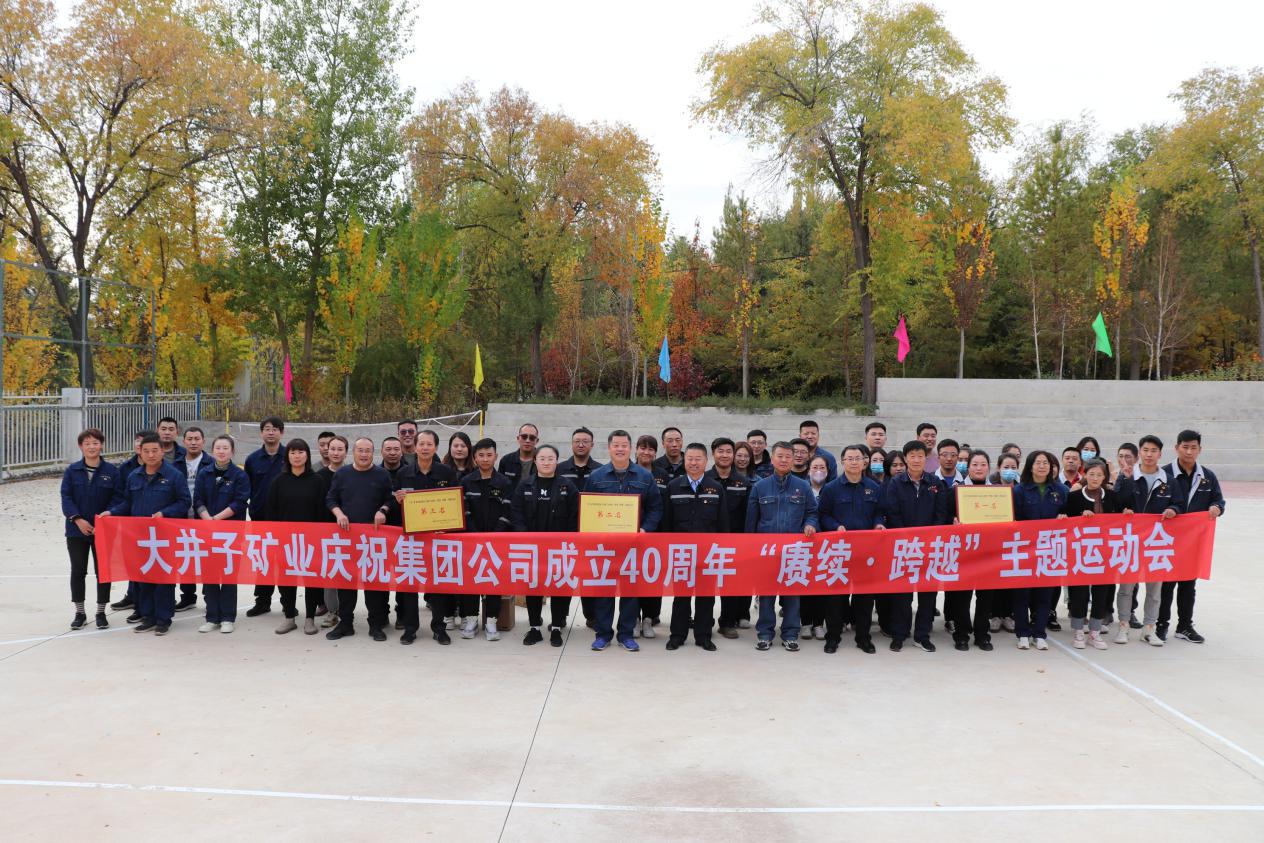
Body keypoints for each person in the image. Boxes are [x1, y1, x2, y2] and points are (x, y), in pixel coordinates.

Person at [99, 433, 191, 635]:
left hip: (165, 537)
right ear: (140, 452)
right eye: (146, 451)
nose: (151, 455)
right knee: (144, 577)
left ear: (162, 451)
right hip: (140, 537)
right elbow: (127, 503)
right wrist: (111, 512)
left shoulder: (174, 476)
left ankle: (163, 619)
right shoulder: (134, 476)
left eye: (155, 450)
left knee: (164, 578)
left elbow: (185, 502)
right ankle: (148, 616)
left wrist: (165, 513)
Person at [585, 430, 663, 652]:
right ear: (609, 448)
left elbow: (656, 508)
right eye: (616, 445)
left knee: (630, 592)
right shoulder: (596, 477)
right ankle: (603, 634)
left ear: (630, 449)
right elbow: (588, 508)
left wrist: (644, 529)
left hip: (633, 546)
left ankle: (626, 634)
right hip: (605, 546)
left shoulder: (644, 477)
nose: (620, 449)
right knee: (604, 591)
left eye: (624, 445)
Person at [747, 441, 818, 652]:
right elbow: (751, 522)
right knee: (766, 595)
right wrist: (750, 549)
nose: (784, 460)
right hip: (767, 551)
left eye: (788, 456)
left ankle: (790, 634)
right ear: (772, 458)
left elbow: (812, 512)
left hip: (794, 551)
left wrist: (810, 524)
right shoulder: (760, 487)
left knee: (792, 595)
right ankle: (765, 634)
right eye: (780, 456)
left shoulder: (803, 486)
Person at [1113, 434, 1183, 646]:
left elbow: (1179, 504)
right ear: (1139, 453)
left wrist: (1173, 509)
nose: (1149, 454)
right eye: (1145, 450)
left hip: (1156, 542)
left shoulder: (1169, 480)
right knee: (1126, 588)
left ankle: (1149, 629)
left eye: (1153, 451)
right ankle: (1123, 626)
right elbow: (1116, 503)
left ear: (1160, 454)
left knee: (1154, 590)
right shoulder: (1128, 476)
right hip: (1131, 540)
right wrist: (1125, 481)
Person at [880, 441, 949, 652]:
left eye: (920, 456)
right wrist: (907, 538)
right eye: (912, 456)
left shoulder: (935, 483)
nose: (916, 460)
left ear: (925, 459)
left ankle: (922, 635)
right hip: (904, 547)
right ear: (906, 459)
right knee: (902, 594)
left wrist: (929, 539)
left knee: (927, 594)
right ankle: (899, 634)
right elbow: (893, 513)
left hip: (930, 547)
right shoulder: (895, 483)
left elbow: (941, 514)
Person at [325, 437, 394, 642]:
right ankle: (346, 624)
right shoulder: (342, 474)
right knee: (346, 583)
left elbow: (390, 499)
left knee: (374, 584)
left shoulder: (382, 474)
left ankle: (375, 624)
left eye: (368, 451)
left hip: (373, 540)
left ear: (373, 453)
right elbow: (331, 498)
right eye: (360, 450)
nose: (364, 454)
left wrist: (383, 510)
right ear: (353, 452)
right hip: (347, 538)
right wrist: (339, 514)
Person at [817, 444, 885, 654]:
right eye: (850, 458)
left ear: (865, 462)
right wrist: (835, 526)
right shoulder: (831, 488)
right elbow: (823, 515)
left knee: (864, 598)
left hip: (866, 552)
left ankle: (863, 637)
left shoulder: (874, 487)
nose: (854, 462)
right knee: (836, 597)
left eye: (858, 458)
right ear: (842, 462)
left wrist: (878, 524)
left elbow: (880, 512)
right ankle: (833, 637)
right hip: (839, 551)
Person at [662, 443, 729, 651]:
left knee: (706, 597)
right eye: (690, 458)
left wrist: (722, 550)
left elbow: (723, 523)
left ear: (706, 461)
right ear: (684, 461)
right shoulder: (674, 486)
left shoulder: (715, 488)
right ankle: (677, 635)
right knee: (681, 596)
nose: (693, 462)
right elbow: (666, 522)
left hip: (708, 554)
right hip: (681, 553)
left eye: (698, 459)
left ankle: (703, 636)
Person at [1159, 429, 1223, 644]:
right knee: (1165, 585)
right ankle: (1161, 625)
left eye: (1193, 447)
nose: (1188, 451)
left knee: (1188, 584)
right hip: (1166, 540)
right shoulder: (1164, 473)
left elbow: (1218, 500)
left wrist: (1216, 507)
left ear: (1199, 450)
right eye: (1185, 447)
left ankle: (1185, 626)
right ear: (1176, 448)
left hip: (1193, 541)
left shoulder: (1207, 476)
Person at [512, 444, 579, 647]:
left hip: (559, 548)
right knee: (534, 586)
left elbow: (575, 515)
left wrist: (567, 540)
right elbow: (516, 512)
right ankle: (534, 628)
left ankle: (556, 627)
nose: (546, 462)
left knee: (559, 586)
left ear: (557, 461)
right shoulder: (525, 485)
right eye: (542, 458)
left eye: (551, 459)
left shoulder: (567, 486)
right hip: (532, 548)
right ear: (535, 461)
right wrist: (525, 536)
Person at [266, 438, 330, 635]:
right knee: (286, 580)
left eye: (300, 452)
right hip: (285, 541)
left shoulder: (317, 480)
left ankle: (310, 618)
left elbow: (323, 511)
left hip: (311, 542)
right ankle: (289, 617)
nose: (296, 456)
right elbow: (271, 511)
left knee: (311, 580)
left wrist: (319, 538)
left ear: (307, 455)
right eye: (292, 452)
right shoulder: (279, 481)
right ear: (287, 456)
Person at [60, 429, 121, 630]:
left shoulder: (112, 471)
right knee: (78, 570)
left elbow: (118, 498)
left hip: (103, 530)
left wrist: (105, 518)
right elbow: (66, 497)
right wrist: (78, 520)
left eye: (95, 443)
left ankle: (101, 612)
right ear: (81, 446)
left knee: (103, 571)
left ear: (101, 445)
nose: (91, 447)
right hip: (76, 530)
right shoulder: (72, 471)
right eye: (87, 443)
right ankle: (80, 612)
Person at [1010, 451, 1069, 651]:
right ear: (1030, 466)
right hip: (1024, 550)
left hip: (1050, 550)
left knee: (1045, 595)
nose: (1042, 466)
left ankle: (1039, 633)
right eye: (1038, 462)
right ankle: (1022, 633)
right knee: (1022, 594)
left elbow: (1069, 515)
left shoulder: (1061, 490)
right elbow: (1013, 519)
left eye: (1046, 463)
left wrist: (1064, 518)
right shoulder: (1019, 491)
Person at [1062, 458, 1122, 650]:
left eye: (1099, 475)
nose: (1095, 478)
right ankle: (1078, 631)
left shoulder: (1112, 496)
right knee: (1078, 592)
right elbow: (1065, 519)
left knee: (1101, 592)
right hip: (1081, 552)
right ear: (1084, 475)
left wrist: (1127, 513)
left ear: (1104, 477)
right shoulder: (1074, 497)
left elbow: (1120, 518)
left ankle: (1095, 632)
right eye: (1091, 474)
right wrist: (1080, 518)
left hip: (1105, 552)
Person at [193, 435, 251, 634]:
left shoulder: (239, 475)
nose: (221, 451)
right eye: (218, 447)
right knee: (209, 575)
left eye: (225, 448)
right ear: (212, 450)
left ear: (232, 451)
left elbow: (240, 502)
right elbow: (197, 499)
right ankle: (211, 617)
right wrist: (207, 519)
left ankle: (227, 617)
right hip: (207, 532)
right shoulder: (204, 473)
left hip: (230, 534)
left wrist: (216, 519)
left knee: (228, 575)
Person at [458, 438, 514, 642]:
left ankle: (491, 621)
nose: (485, 459)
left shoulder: (505, 482)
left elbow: (508, 511)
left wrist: (494, 535)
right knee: (471, 580)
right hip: (471, 541)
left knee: (493, 580)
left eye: (489, 455)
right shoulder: (466, 481)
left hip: (496, 542)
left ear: (496, 457)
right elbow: (464, 511)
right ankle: (471, 619)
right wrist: (475, 535)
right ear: (474, 457)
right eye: (481, 455)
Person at [948, 449, 996, 651]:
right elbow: (945, 518)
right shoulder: (956, 491)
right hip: (964, 552)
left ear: (988, 468)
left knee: (985, 597)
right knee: (962, 597)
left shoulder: (998, 493)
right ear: (968, 468)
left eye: (983, 464)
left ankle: (982, 634)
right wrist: (953, 522)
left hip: (989, 553)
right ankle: (961, 635)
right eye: (975, 464)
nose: (979, 468)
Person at [709, 437, 753, 638]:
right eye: (721, 451)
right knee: (706, 585)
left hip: (735, 543)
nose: (725, 455)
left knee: (731, 585)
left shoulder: (743, 483)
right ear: (713, 454)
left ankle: (727, 622)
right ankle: (704, 621)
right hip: (708, 542)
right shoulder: (704, 479)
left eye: (729, 451)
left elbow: (749, 515)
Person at [106, 428, 153, 613]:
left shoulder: (166, 469)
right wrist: (113, 513)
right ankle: (133, 597)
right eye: (137, 441)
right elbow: (121, 496)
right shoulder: (126, 468)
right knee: (133, 562)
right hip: (130, 524)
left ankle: (153, 603)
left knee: (153, 562)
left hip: (154, 525)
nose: (140, 445)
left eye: (144, 442)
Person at [245, 417, 287, 617]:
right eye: (267, 429)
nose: (271, 432)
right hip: (260, 519)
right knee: (263, 561)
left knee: (285, 561)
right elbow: (247, 488)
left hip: (285, 519)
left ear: (282, 433)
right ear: (261, 433)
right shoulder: (252, 459)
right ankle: (262, 602)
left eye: (275, 429)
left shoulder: (290, 456)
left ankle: (288, 603)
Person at [634, 433, 671, 637]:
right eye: (643, 448)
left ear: (655, 453)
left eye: (650, 449)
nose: (646, 452)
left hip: (656, 536)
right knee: (632, 579)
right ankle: (633, 619)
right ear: (636, 450)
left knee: (653, 579)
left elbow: (663, 506)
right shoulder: (628, 472)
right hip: (632, 537)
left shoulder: (663, 475)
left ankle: (649, 619)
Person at [174, 426, 213, 612]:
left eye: (197, 439)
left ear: (203, 441)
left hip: (205, 518)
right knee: (186, 559)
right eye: (189, 439)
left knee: (207, 560)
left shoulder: (211, 463)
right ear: (184, 442)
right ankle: (188, 597)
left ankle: (209, 597)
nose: (193, 442)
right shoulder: (175, 464)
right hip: (182, 519)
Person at [800, 454, 832, 640]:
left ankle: (819, 623)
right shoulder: (802, 488)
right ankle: (805, 623)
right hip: (805, 543)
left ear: (828, 471)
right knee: (805, 584)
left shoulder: (832, 489)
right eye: (815, 467)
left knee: (821, 585)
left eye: (822, 468)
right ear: (808, 470)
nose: (818, 471)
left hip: (826, 545)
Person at [498, 423, 538, 490]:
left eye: (532, 438)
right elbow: (499, 485)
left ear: (537, 441)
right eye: (524, 437)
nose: (527, 440)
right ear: (518, 438)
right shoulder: (506, 460)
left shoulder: (543, 462)